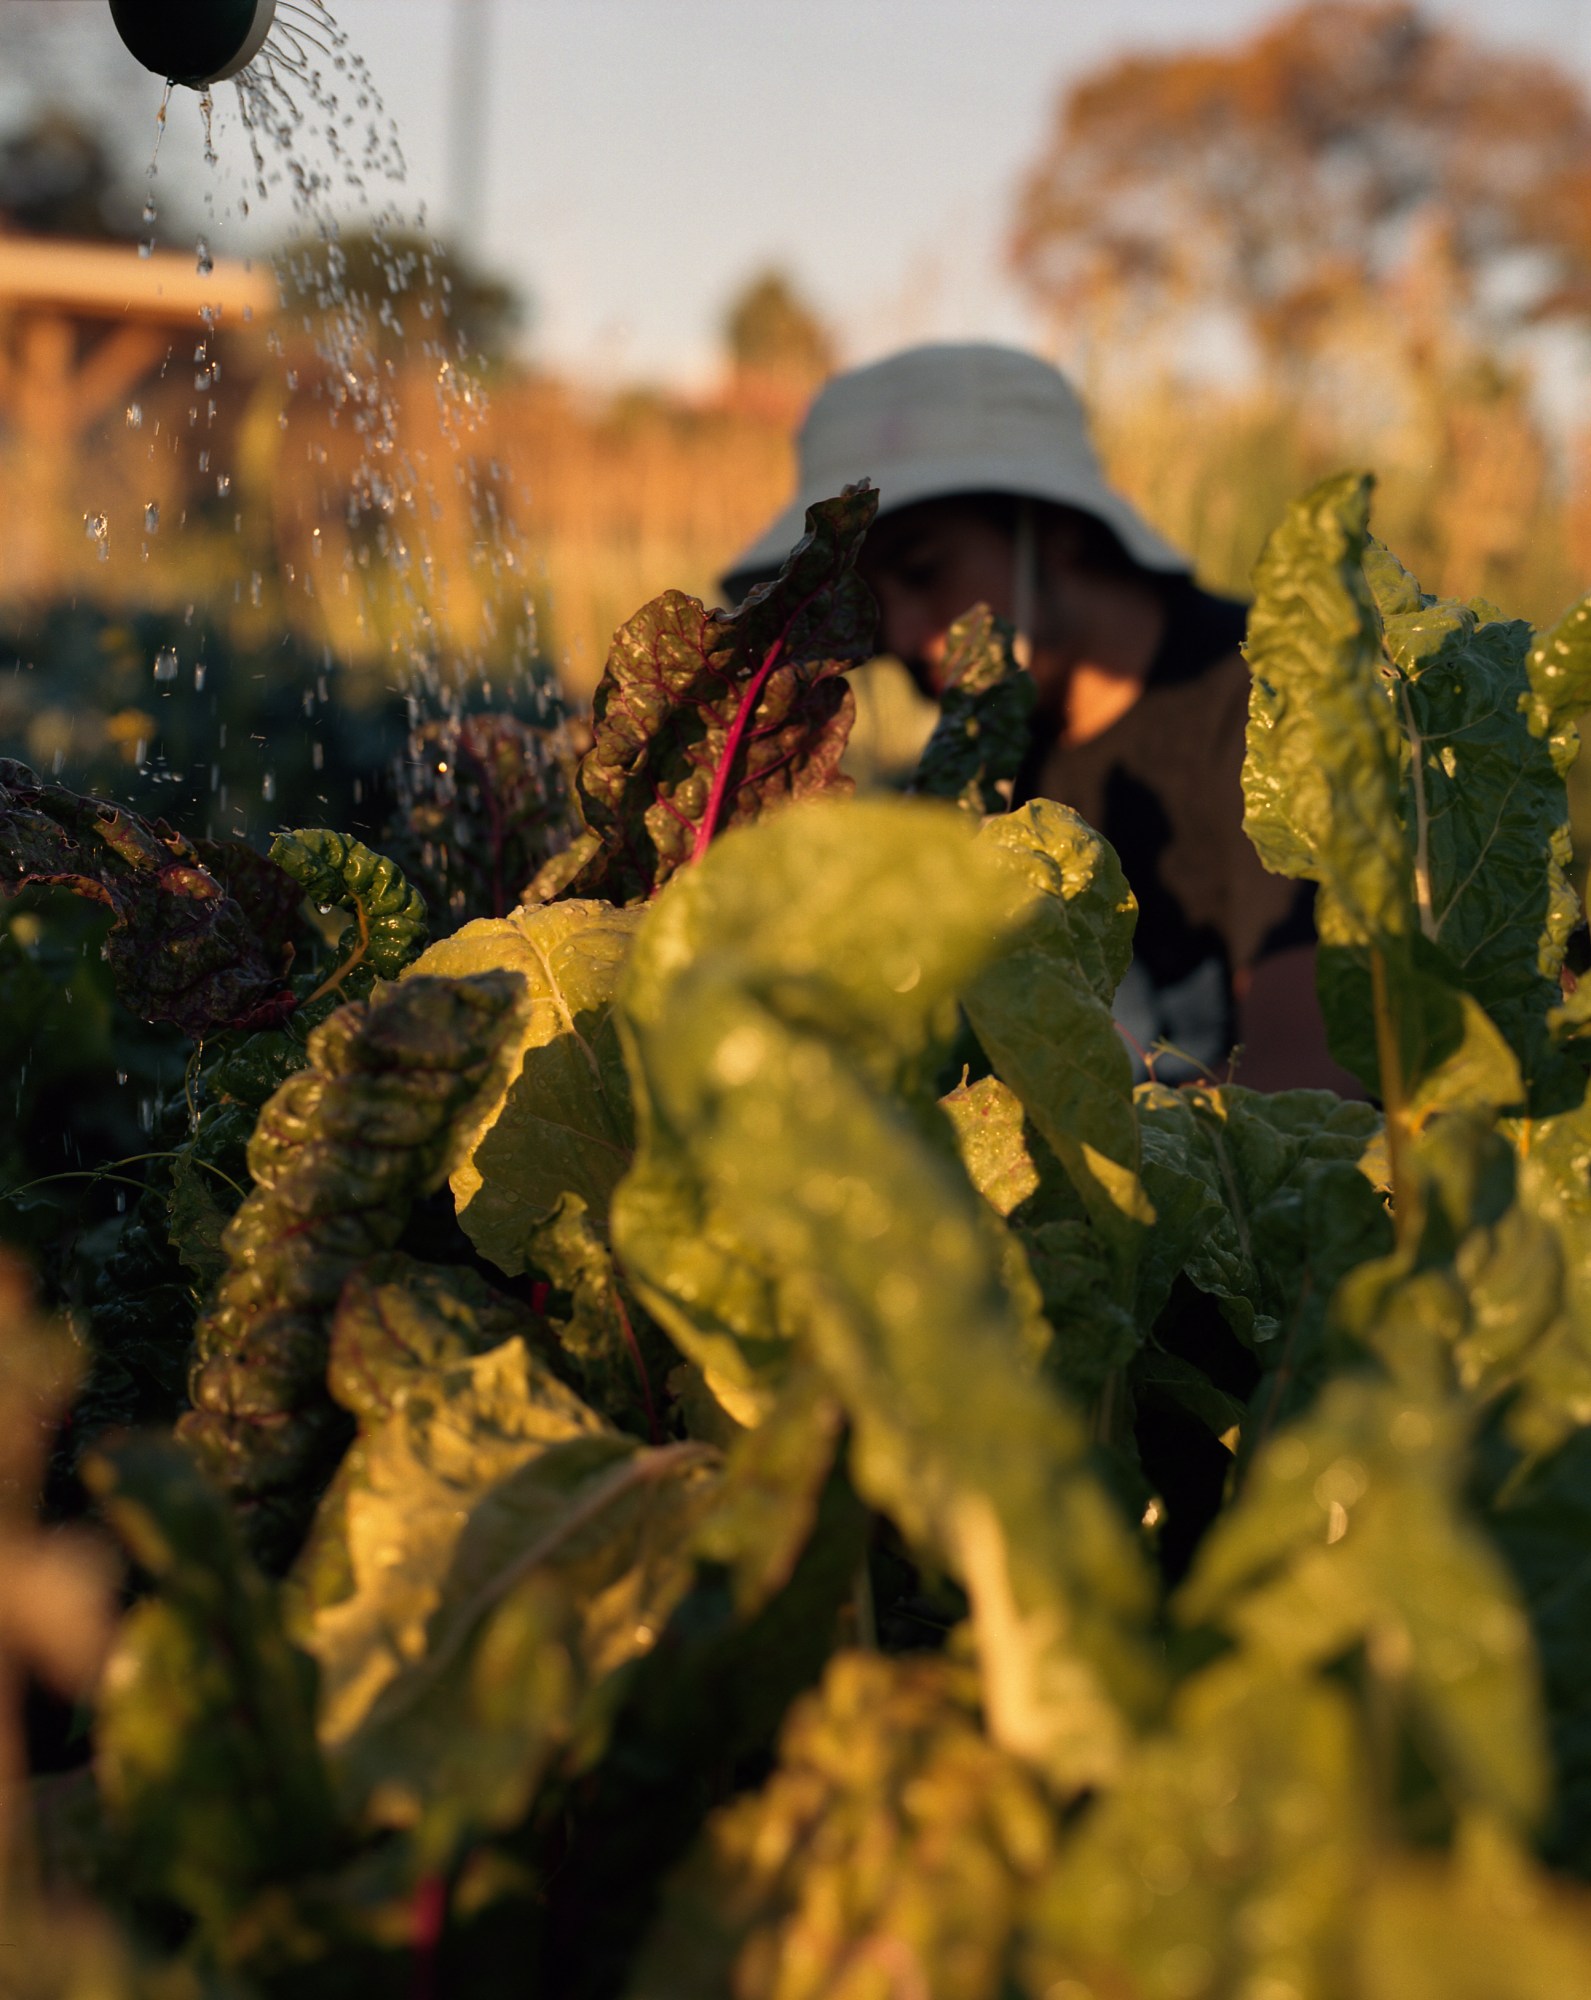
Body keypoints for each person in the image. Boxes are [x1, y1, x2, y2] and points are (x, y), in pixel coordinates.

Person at [720, 342, 1349, 1092]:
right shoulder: (986, 758)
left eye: (925, 571)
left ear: (1055, 530)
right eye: (869, 600)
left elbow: (1310, 1078)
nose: (903, 632)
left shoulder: (1270, 694)